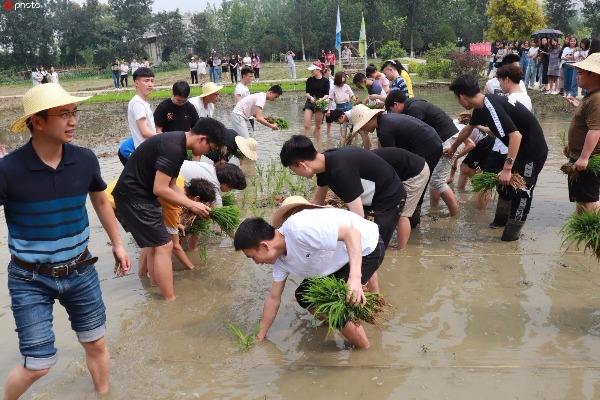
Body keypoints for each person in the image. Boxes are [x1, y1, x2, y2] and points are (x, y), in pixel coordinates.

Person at [2, 82, 130, 399]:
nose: (73, 121)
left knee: (97, 343)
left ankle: (103, 395)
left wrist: (117, 242)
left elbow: (101, 201)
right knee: (38, 364)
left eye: (74, 112)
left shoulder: (85, 159)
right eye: (63, 114)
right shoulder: (8, 170)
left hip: (81, 269)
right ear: (38, 121)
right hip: (29, 277)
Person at [234, 198, 385, 349]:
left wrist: (355, 279)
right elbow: (274, 299)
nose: (255, 262)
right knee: (304, 294)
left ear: (265, 246)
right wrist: (259, 337)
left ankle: (365, 349)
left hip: (367, 247)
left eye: (253, 257)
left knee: (337, 302)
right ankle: (335, 323)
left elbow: (352, 234)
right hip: (339, 259)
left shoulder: (299, 229)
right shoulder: (280, 261)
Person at [112, 118, 225, 301]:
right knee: (165, 246)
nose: (208, 152)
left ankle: (151, 284)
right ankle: (169, 299)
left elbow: (172, 185)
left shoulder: (177, 144)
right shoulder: (174, 148)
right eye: (210, 148)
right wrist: (191, 204)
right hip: (135, 198)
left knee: (155, 245)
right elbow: (160, 188)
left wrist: (192, 203)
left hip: (138, 196)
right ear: (202, 139)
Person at [447, 75, 548, 241]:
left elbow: (515, 136)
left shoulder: (491, 107)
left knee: (523, 191)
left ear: (462, 96)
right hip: (517, 151)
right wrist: (453, 147)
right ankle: (500, 223)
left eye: (456, 98)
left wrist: (507, 168)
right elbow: (468, 129)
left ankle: (511, 235)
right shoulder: (481, 106)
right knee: (505, 187)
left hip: (532, 152)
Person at [280, 135, 406, 248]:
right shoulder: (323, 164)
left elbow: (358, 218)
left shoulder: (341, 171)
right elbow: (318, 201)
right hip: (368, 198)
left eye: (293, 170)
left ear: (301, 165)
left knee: (373, 245)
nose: (296, 173)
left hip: (390, 197)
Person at [350, 104, 442, 226]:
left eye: (362, 127)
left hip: (429, 148)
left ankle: (411, 220)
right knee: (411, 180)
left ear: (368, 120)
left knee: (417, 181)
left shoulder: (384, 131)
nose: (364, 130)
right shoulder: (385, 121)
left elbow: (391, 163)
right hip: (431, 141)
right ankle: (410, 218)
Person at [106, 177, 216, 272]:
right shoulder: (173, 204)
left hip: (120, 190)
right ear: (196, 199)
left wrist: (175, 224)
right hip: (118, 200)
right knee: (153, 242)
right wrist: (192, 268)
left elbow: (160, 207)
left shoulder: (179, 181)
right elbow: (176, 247)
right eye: (203, 205)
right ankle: (145, 276)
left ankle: (144, 275)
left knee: (152, 239)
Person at [384, 90, 466, 216]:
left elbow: (416, 134)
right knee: (434, 180)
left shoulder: (413, 110)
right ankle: (434, 210)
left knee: (437, 181)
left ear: (395, 104)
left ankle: (455, 215)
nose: (392, 115)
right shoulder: (413, 104)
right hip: (445, 140)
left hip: (448, 142)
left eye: (390, 111)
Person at [372, 147, 430, 249]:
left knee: (402, 214)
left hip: (416, 173)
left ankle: (401, 250)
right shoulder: (366, 159)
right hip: (410, 168)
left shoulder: (369, 165)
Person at [564, 53, 600, 212]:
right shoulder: (590, 97)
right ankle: (586, 234)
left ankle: (593, 233)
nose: (577, 75)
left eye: (581, 72)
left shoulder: (597, 99)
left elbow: (595, 130)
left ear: (594, 75)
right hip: (579, 157)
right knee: (582, 200)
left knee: (588, 201)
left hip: (587, 160)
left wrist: (584, 157)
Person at [126, 67, 156, 149]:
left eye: (152, 81)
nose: (150, 84)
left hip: (149, 147)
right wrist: (164, 137)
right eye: (146, 81)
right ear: (136, 83)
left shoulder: (142, 102)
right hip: (145, 150)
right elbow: (145, 132)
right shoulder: (137, 103)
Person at [304, 64, 330, 138]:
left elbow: (326, 95)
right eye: (311, 70)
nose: (311, 72)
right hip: (310, 102)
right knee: (306, 125)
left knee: (318, 127)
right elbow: (307, 93)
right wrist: (311, 97)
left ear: (318, 70)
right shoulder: (309, 80)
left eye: (313, 70)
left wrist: (321, 100)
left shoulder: (325, 81)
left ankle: (317, 143)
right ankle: (304, 143)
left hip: (320, 103)